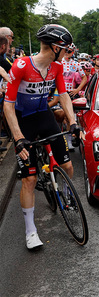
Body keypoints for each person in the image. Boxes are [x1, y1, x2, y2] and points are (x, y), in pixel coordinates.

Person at [4, 24, 81, 250]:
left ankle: (65, 194)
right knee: (29, 179)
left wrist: (73, 122)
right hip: (22, 120)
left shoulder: (57, 66)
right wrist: (18, 139)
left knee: (67, 166)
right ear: (55, 46)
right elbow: (8, 106)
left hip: (43, 115)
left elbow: (64, 95)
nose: (68, 50)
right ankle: (30, 231)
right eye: (65, 46)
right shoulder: (21, 66)